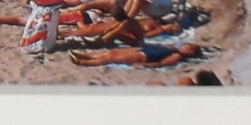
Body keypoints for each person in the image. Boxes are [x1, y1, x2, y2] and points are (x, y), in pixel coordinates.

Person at [69, 42, 203, 68]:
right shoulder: (176, 49)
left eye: (189, 48)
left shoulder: (177, 56)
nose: (186, 46)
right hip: (143, 50)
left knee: (110, 59)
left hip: (143, 57)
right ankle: (86, 55)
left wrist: (144, 64)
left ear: (190, 54)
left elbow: (162, 63)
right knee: (112, 52)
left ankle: (83, 62)